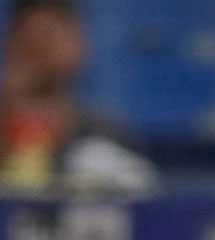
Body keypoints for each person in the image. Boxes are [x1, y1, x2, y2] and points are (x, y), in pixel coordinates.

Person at [0, 0, 155, 192]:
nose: (42, 52)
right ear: (10, 46)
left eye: (50, 38)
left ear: (80, 45)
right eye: (30, 41)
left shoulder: (103, 134)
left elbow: (142, 198)